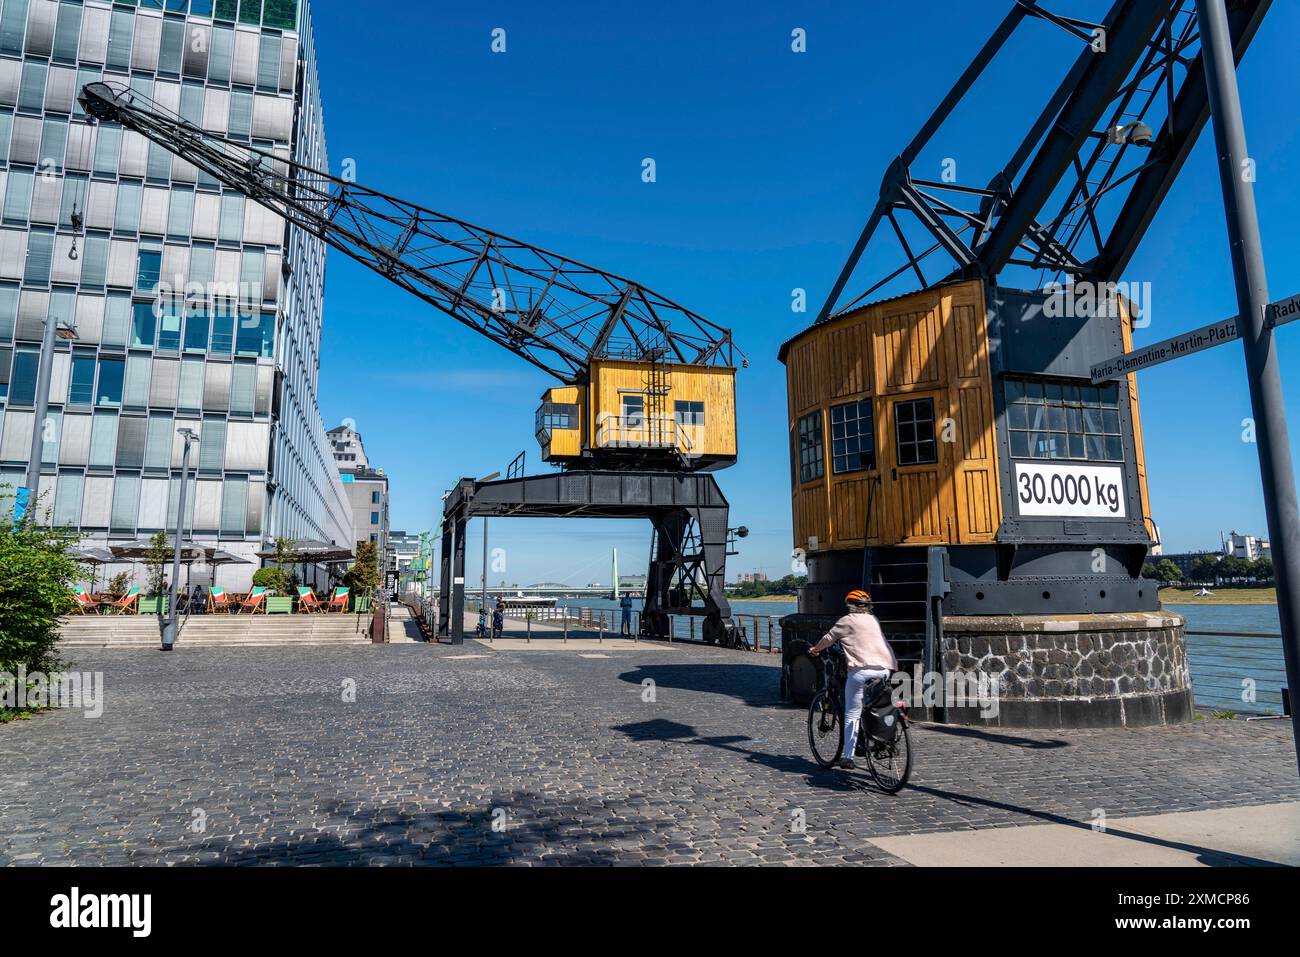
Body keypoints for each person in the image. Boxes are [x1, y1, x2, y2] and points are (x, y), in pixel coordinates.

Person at [808, 589, 896, 770]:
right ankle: (879, 739)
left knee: (852, 713)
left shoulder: (847, 621)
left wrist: (815, 649)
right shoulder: (873, 620)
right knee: (875, 707)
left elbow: (829, 638)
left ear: (850, 605)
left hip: (862, 671)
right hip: (885, 669)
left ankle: (848, 757)